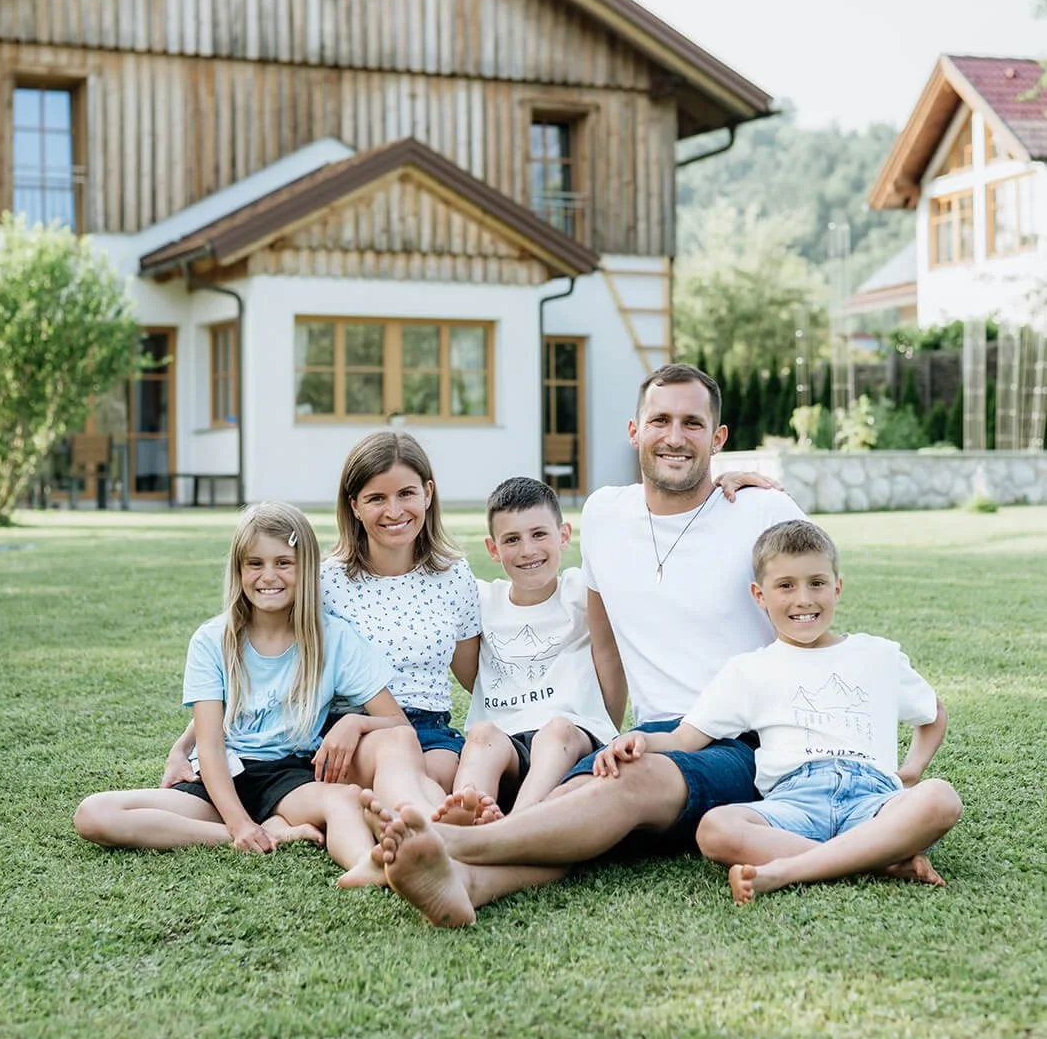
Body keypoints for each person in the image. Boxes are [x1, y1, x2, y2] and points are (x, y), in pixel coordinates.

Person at [370, 363, 810, 926]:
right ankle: (468, 887)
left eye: (693, 424)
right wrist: (605, 728)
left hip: (745, 742)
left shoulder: (762, 510)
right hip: (654, 732)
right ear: (635, 431)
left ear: (718, 438)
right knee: (565, 807)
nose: (675, 437)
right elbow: (602, 637)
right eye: (661, 420)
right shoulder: (605, 514)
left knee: (627, 784)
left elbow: (812, 620)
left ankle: (457, 847)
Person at [596, 517, 962, 903]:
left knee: (940, 797)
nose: (803, 599)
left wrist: (911, 771)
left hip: (873, 800)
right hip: (793, 804)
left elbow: (932, 713)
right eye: (785, 586)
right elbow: (684, 737)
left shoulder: (877, 655)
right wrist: (640, 739)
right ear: (760, 595)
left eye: (817, 583)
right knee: (715, 828)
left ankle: (787, 871)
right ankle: (878, 860)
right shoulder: (749, 670)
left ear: (837, 588)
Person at [74, 503, 411, 872]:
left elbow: (396, 723)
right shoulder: (211, 640)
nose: (269, 576)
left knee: (343, 800)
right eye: (255, 564)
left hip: (289, 775)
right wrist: (239, 825)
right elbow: (211, 746)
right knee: (94, 813)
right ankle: (266, 834)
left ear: (307, 568)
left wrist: (356, 723)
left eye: (284, 562)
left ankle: (368, 867)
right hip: (221, 776)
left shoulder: (334, 639)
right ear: (239, 570)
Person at [435, 476, 621, 823]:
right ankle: (466, 815)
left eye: (539, 534)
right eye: (512, 540)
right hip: (507, 748)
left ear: (564, 536)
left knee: (557, 730)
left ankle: (516, 826)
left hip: (574, 743)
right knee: (481, 735)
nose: (528, 550)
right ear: (493, 549)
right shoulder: (481, 600)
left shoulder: (582, 590)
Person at [315, 430, 481, 803]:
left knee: (443, 778)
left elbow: (477, 676)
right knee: (408, 778)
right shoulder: (326, 581)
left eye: (406, 494)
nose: (394, 511)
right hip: (355, 733)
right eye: (376, 498)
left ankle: (419, 832)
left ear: (428, 493)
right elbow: (272, 662)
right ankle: (438, 838)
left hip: (432, 730)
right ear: (354, 505)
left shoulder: (454, 575)